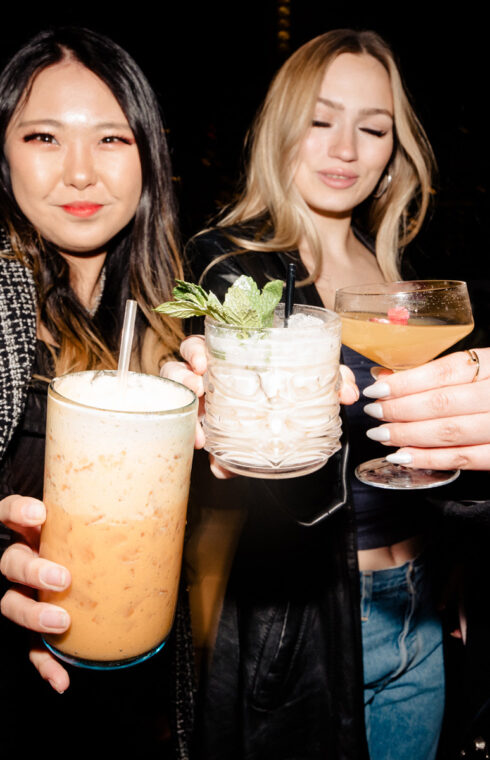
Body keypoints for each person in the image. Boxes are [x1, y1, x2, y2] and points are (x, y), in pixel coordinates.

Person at [164, 29, 450, 760]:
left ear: (395, 150)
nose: (345, 150)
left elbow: (422, 447)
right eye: (321, 120)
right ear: (283, 126)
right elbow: (263, 476)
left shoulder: (399, 273)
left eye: (372, 127)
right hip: (315, 622)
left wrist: (449, 586)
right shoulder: (235, 263)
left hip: (417, 605)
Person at [0, 27, 193, 756]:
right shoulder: (6, 301)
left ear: (148, 155)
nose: (80, 173)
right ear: (4, 154)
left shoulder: (172, 312)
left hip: (147, 697)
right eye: (44, 137)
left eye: (111, 140)